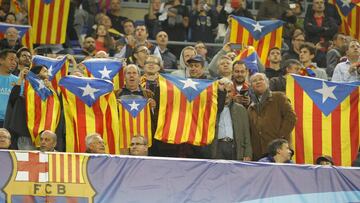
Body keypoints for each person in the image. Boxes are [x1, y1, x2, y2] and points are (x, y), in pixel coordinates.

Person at [248, 73, 297, 160]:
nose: (258, 82)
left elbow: (291, 117)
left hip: (280, 151)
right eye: (254, 81)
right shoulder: (251, 108)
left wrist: (280, 139)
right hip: (259, 154)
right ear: (251, 87)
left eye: (261, 79)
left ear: (267, 83)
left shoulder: (279, 97)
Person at [210, 78, 252, 161]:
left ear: (233, 93)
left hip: (235, 147)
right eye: (223, 91)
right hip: (217, 147)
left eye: (229, 92)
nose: (226, 95)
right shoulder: (211, 109)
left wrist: (248, 153)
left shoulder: (241, 109)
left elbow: (246, 134)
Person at [0, 49, 18, 127]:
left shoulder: (19, 81)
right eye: (11, 59)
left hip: (10, 122)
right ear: (1, 60)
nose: (14, 63)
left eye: (16, 61)